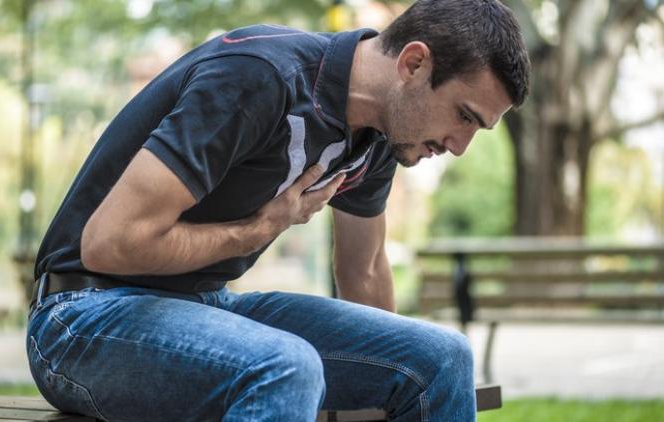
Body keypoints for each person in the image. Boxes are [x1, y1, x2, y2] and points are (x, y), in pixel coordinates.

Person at [26, 0, 530, 420]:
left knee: (440, 358)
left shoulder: (381, 136)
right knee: (286, 366)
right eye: (464, 116)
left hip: (200, 304)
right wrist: (257, 230)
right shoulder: (258, 77)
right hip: (81, 317)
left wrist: (386, 371)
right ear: (414, 64)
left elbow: (367, 270)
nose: (460, 145)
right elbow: (110, 243)